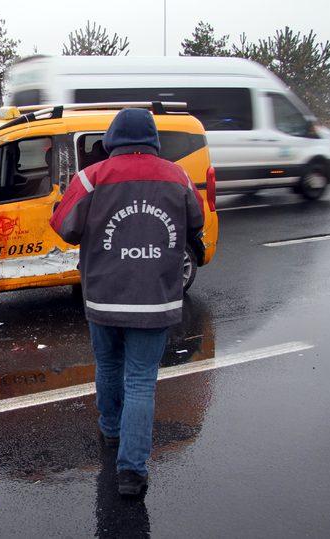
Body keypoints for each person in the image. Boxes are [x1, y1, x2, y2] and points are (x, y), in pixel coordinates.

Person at [50, 108, 204, 495]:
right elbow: (196, 220)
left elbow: (65, 228)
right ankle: (132, 472)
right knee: (140, 382)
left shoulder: (91, 177)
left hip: (104, 298)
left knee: (108, 366)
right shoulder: (178, 175)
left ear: (113, 140)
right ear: (153, 139)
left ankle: (111, 432)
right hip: (155, 300)